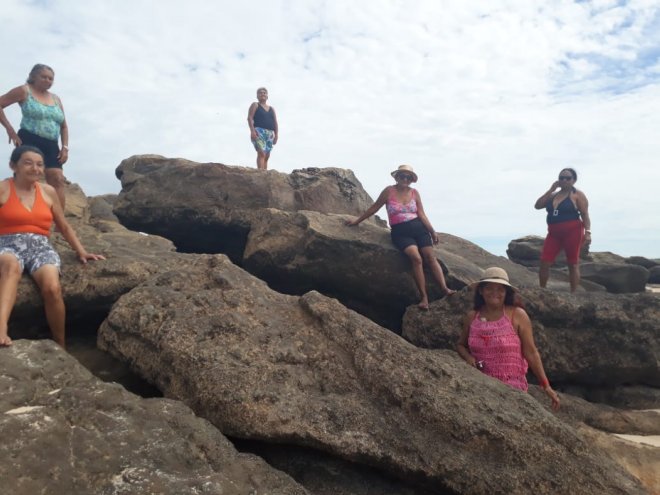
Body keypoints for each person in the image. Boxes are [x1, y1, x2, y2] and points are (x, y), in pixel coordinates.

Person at [0, 146, 104, 349]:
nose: (35, 168)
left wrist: (81, 251)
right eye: (28, 163)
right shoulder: (3, 188)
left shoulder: (48, 191)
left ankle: (60, 344)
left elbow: (63, 225)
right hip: (7, 243)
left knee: (52, 287)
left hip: (41, 246)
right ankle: (1, 329)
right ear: (14, 165)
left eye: (40, 164)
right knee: (10, 269)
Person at [346, 164, 455, 310]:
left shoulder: (414, 193)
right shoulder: (388, 191)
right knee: (416, 258)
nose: (405, 179)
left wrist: (432, 231)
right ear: (396, 177)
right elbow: (374, 208)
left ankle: (445, 289)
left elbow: (421, 214)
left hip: (419, 229)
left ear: (411, 179)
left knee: (430, 257)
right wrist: (357, 221)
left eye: (408, 177)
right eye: (402, 176)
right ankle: (424, 297)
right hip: (401, 232)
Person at [456, 267, 560, 410]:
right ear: (481, 291)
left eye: (500, 289)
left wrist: (546, 386)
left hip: (512, 391)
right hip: (480, 386)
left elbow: (531, 352)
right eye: (489, 288)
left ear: (506, 293)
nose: (495, 293)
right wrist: (468, 357)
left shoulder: (517, 315)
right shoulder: (472, 317)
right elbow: (460, 345)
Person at [0, 64, 69, 210]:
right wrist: (10, 129)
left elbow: (63, 126)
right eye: (43, 77)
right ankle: (19, 211)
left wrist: (65, 147)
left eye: (51, 78)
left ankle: (59, 222)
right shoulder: (24, 91)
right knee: (27, 176)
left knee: (57, 178)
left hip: (51, 143)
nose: (47, 80)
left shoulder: (56, 99)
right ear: (33, 77)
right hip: (29, 138)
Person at [534, 168, 591, 292]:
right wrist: (551, 190)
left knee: (572, 263)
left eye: (568, 178)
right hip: (554, 233)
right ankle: (542, 291)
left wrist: (588, 232)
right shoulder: (553, 195)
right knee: (544, 261)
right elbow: (537, 205)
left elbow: (585, 214)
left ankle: (573, 293)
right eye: (561, 178)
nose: (564, 180)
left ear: (574, 180)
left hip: (573, 231)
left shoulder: (577, 195)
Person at [247, 87, 278, 170]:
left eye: (264, 93)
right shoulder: (255, 105)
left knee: (267, 155)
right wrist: (252, 131)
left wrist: (276, 135)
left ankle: (265, 173)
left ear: (267, 96)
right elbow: (250, 118)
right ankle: (260, 172)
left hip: (270, 133)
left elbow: (275, 122)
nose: (262, 94)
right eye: (260, 93)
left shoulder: (272, 109)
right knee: (261, 153)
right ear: (257, 96)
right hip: (259, 131)